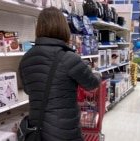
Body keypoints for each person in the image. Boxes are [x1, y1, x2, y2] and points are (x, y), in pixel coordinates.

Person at [18, 7, 102, 141]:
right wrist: (97, 74)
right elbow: (91, 84)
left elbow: (28, 90)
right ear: (63, 28)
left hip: (37, 131)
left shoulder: (26, 59)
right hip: (64, 131)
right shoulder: (69, 58)